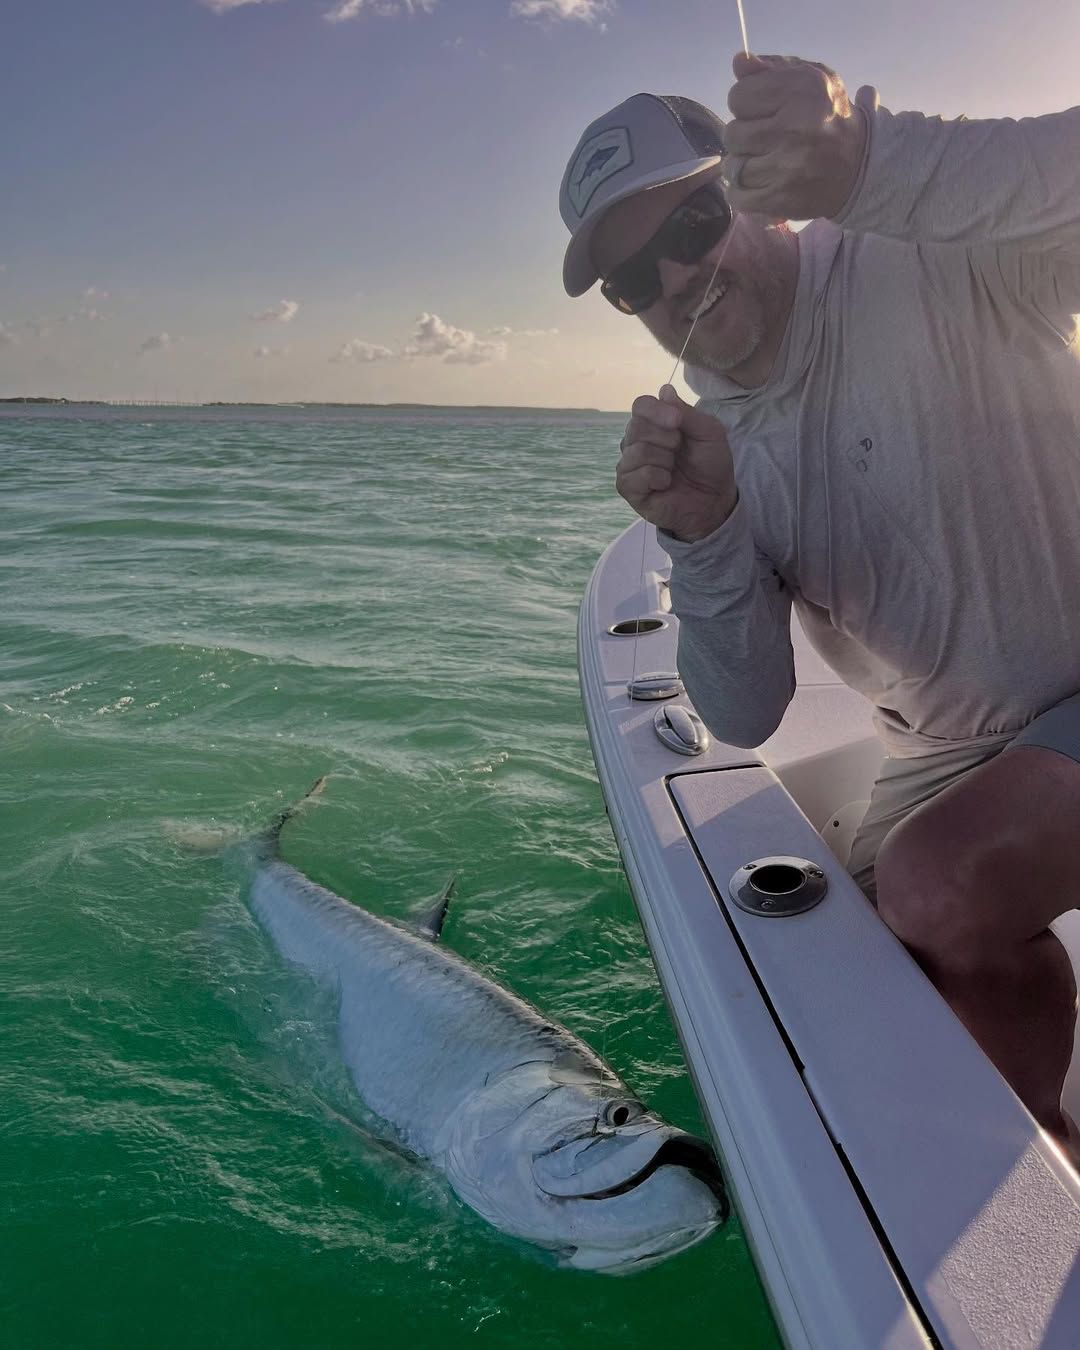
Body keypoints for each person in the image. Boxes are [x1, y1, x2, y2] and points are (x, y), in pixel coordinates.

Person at [558, 54, 1080, 1158]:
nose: (675, 281)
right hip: (950, 746)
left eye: (693, 224)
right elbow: (743, 712)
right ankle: (1040, 1159)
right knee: (825, 983)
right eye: (634, 277)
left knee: (942, 882)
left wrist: (884, 162)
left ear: (751, 187)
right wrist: (701, 540)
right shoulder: (715, 452)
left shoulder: (919, 239)